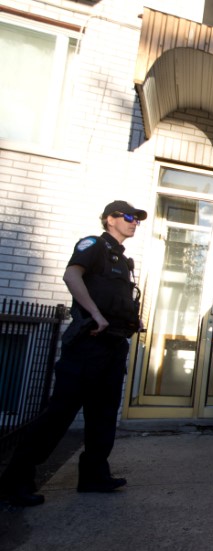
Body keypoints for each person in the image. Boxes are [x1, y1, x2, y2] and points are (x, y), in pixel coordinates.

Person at [0, 200, 147, 507]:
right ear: (110, 219)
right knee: (59, 414)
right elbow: (71, 276)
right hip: (89, 344)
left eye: (138, 219)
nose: (135, 222)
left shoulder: (121, 258)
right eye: (129, 216)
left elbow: (115, 297)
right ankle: (15, 480)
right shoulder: (93, 244)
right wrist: (95, 314)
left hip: (113, 345)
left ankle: (94, 475)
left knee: (104, 415)